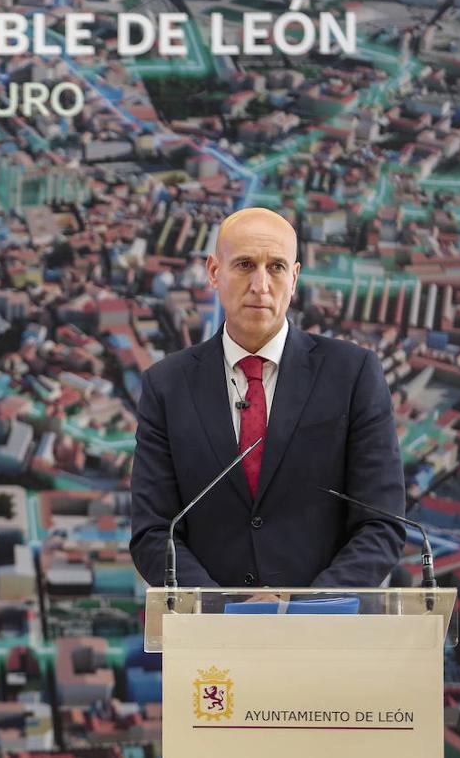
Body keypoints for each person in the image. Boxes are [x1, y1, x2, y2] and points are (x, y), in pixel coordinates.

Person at [129, 207, 405, 589]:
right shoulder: (166, 386)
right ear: (214, 271)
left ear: (293, 279)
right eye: (244, 265)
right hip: (210, 636)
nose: (260, 284)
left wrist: (301, 613)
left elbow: (381, 523)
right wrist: (223, 612)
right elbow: (154, 531)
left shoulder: (353, 374)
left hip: (320, 635)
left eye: (276, 267)